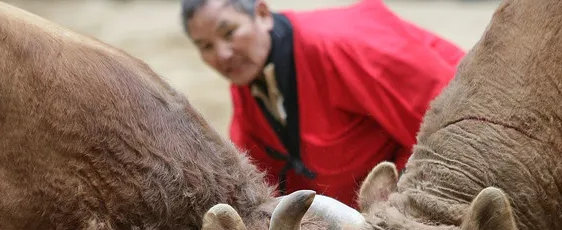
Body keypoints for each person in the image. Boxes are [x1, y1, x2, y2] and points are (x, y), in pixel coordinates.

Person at [182, 0, 464, 207]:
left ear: (263, 14)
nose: (222, 54)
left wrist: (393, 203)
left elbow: (450, 114)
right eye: (205, 46)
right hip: (360, 210)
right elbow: (257, 175)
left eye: (229, 32)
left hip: (450, 161)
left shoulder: (340, 44)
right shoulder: (249, 80)